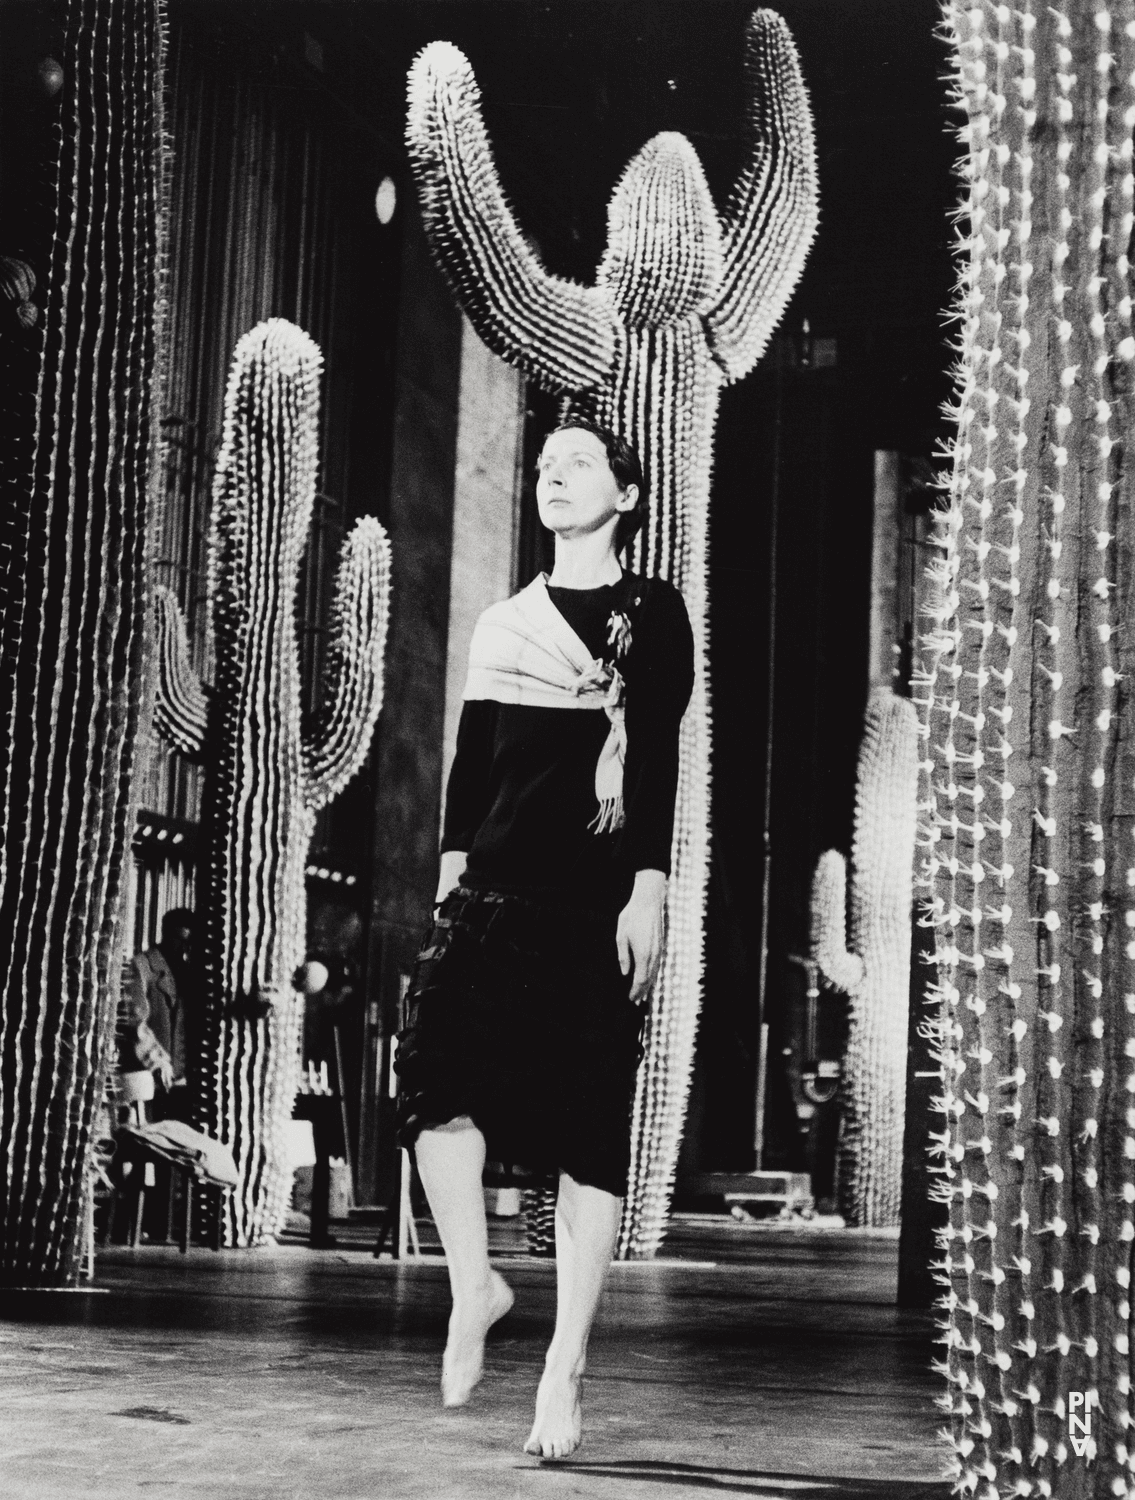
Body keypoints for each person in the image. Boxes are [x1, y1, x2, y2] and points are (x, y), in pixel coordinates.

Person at [395, 421, 694, 1458]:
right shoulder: (501, 623)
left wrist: (647, 887)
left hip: (591, 903)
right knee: (431, 1087)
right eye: (541, 466)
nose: (552, 477)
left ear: (626, 491)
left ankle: (563, 1371)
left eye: (576, 465)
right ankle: (473, 1283)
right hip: (491, 893)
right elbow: (471, 771)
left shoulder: (650, 614)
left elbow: (651, 755)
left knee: (584, 1136)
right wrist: (447, 889)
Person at [120, 907, 195, 1122]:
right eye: (179, 939)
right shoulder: (141, 966)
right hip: (150, 1074)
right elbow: (135, 1023)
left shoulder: (187, 971)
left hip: (180, 1080)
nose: (184, 947)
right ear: (166, 933)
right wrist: (157, 1061)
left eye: (188, 942)